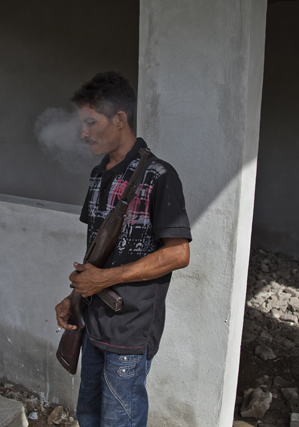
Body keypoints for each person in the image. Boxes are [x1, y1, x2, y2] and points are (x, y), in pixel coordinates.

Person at [55, 71, 192, 427]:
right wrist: (74, 297)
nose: (83, 133)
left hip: (130, 331)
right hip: (93, 323)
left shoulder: (159, 176)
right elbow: (96, 253)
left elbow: (179, 254)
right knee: (88, 417)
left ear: (119, 119)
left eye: (90, 123)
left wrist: (105, 280)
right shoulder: (99, 174)